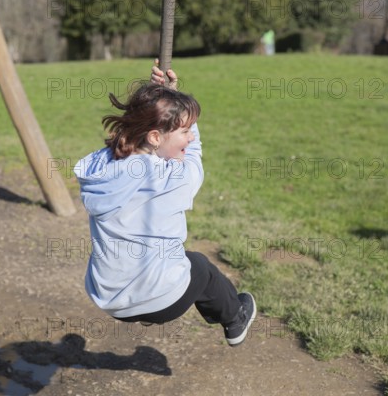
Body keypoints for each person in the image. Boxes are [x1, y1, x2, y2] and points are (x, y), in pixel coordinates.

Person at [73, 62, 256, 347]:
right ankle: (235, 320)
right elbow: (193, 157)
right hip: (161, 300)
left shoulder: (101, 166)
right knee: (199, 266)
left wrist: (161, 102)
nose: (191, 136)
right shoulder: (171, 178)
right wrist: (171, 103)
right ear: (155, 137)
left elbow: (138, 138)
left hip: (108, 297)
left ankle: (147, 299)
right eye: (185, 130)